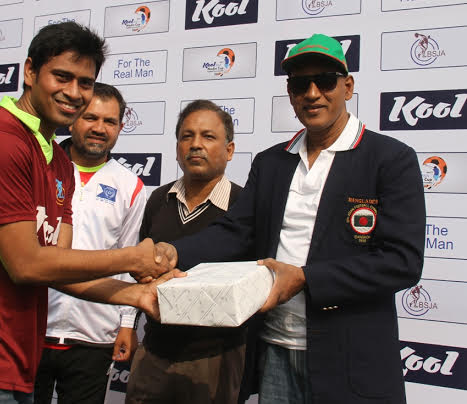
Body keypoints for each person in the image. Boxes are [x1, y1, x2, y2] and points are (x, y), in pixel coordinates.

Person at [0, 22, 177, 404]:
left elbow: (60, 268)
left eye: (85, 82)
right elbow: (27, 264)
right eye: (62, 77)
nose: (74, 93)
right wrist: (133, 258)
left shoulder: (59, 163)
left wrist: (137, 295)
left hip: (15, 365)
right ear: (31, 71)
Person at [158, 34, 426, 404]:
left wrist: (304, 279)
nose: (312, 93)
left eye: (325, 81)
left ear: (347, 87)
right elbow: (236, 234)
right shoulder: (271, 162)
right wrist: (171, 253)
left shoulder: (390, 159)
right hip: (274, 350)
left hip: (351, 359)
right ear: (290, 92)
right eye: (301, 84)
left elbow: (402, 262)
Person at [126, 100, 246, 404]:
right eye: (186, 136)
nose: (196, 145)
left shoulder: (244, 206)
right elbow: (140, 271)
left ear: (230, 150)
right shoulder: (157, 200)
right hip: (153, 350)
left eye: (208, 136)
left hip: (215, 358)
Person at [33, 83, 145, 404]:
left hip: (95, 336)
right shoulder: (41, 167)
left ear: (121, 128)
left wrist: (126, 324)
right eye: (90, 117)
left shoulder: (130, 186)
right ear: (72, 120)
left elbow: (128, 262)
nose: (99, 128)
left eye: (110, 122)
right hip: (33, 327)